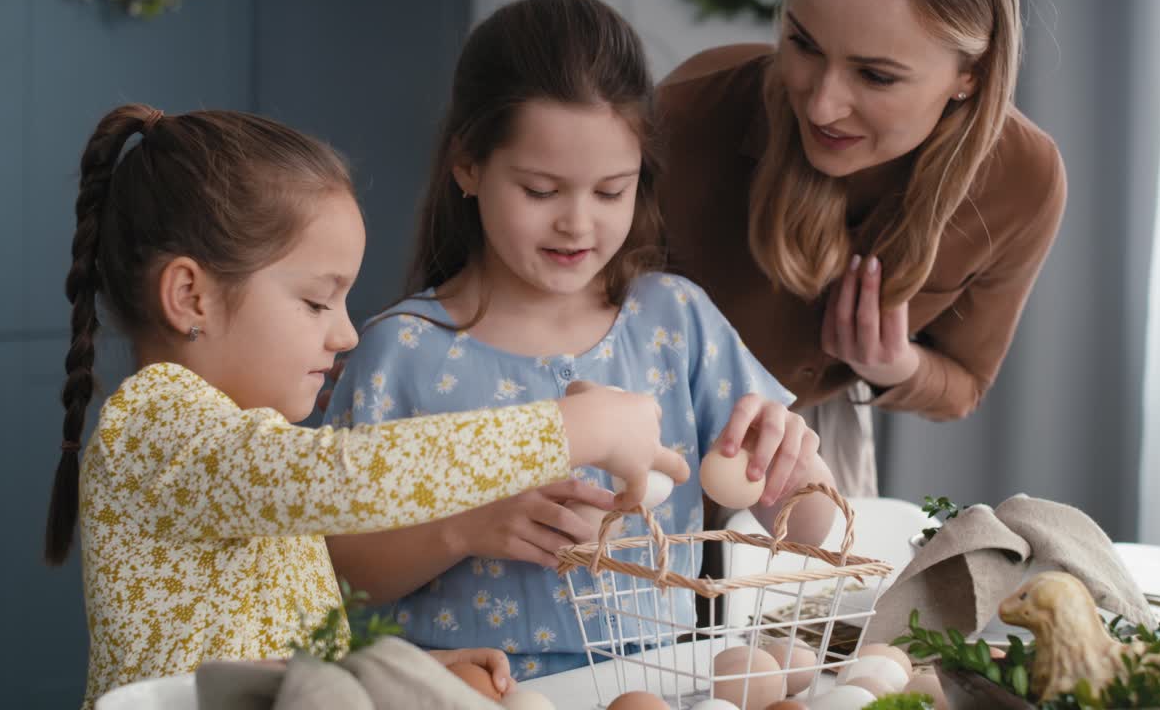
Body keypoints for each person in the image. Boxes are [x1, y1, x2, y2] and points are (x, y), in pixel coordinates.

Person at [47, 103, 687, 706]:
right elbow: (348, 475)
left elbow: (275, 659)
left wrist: (399, 669)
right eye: (317, 301)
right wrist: (573, 430)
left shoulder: (241, 458)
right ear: (191, 296)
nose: (346, 333)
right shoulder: (156, 427)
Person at [322, 0, 836, 680]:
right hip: (460, 694)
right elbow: (336, 572)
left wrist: (799, 473)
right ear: (469, 165)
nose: (577, 224)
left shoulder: (675, 323)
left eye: (610, 191)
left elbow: (804, 530)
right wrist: (467, 527)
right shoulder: (400, 353)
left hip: (660, 686)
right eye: (540, 191)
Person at [656, 0, 1067, 496]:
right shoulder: (684, 118)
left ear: (972, 73)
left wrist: (894, 366)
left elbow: (964, 386)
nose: (822, 106)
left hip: (815, 450)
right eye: (804, 45)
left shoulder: (1023, 181)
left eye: (875, 75)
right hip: (644, 430)